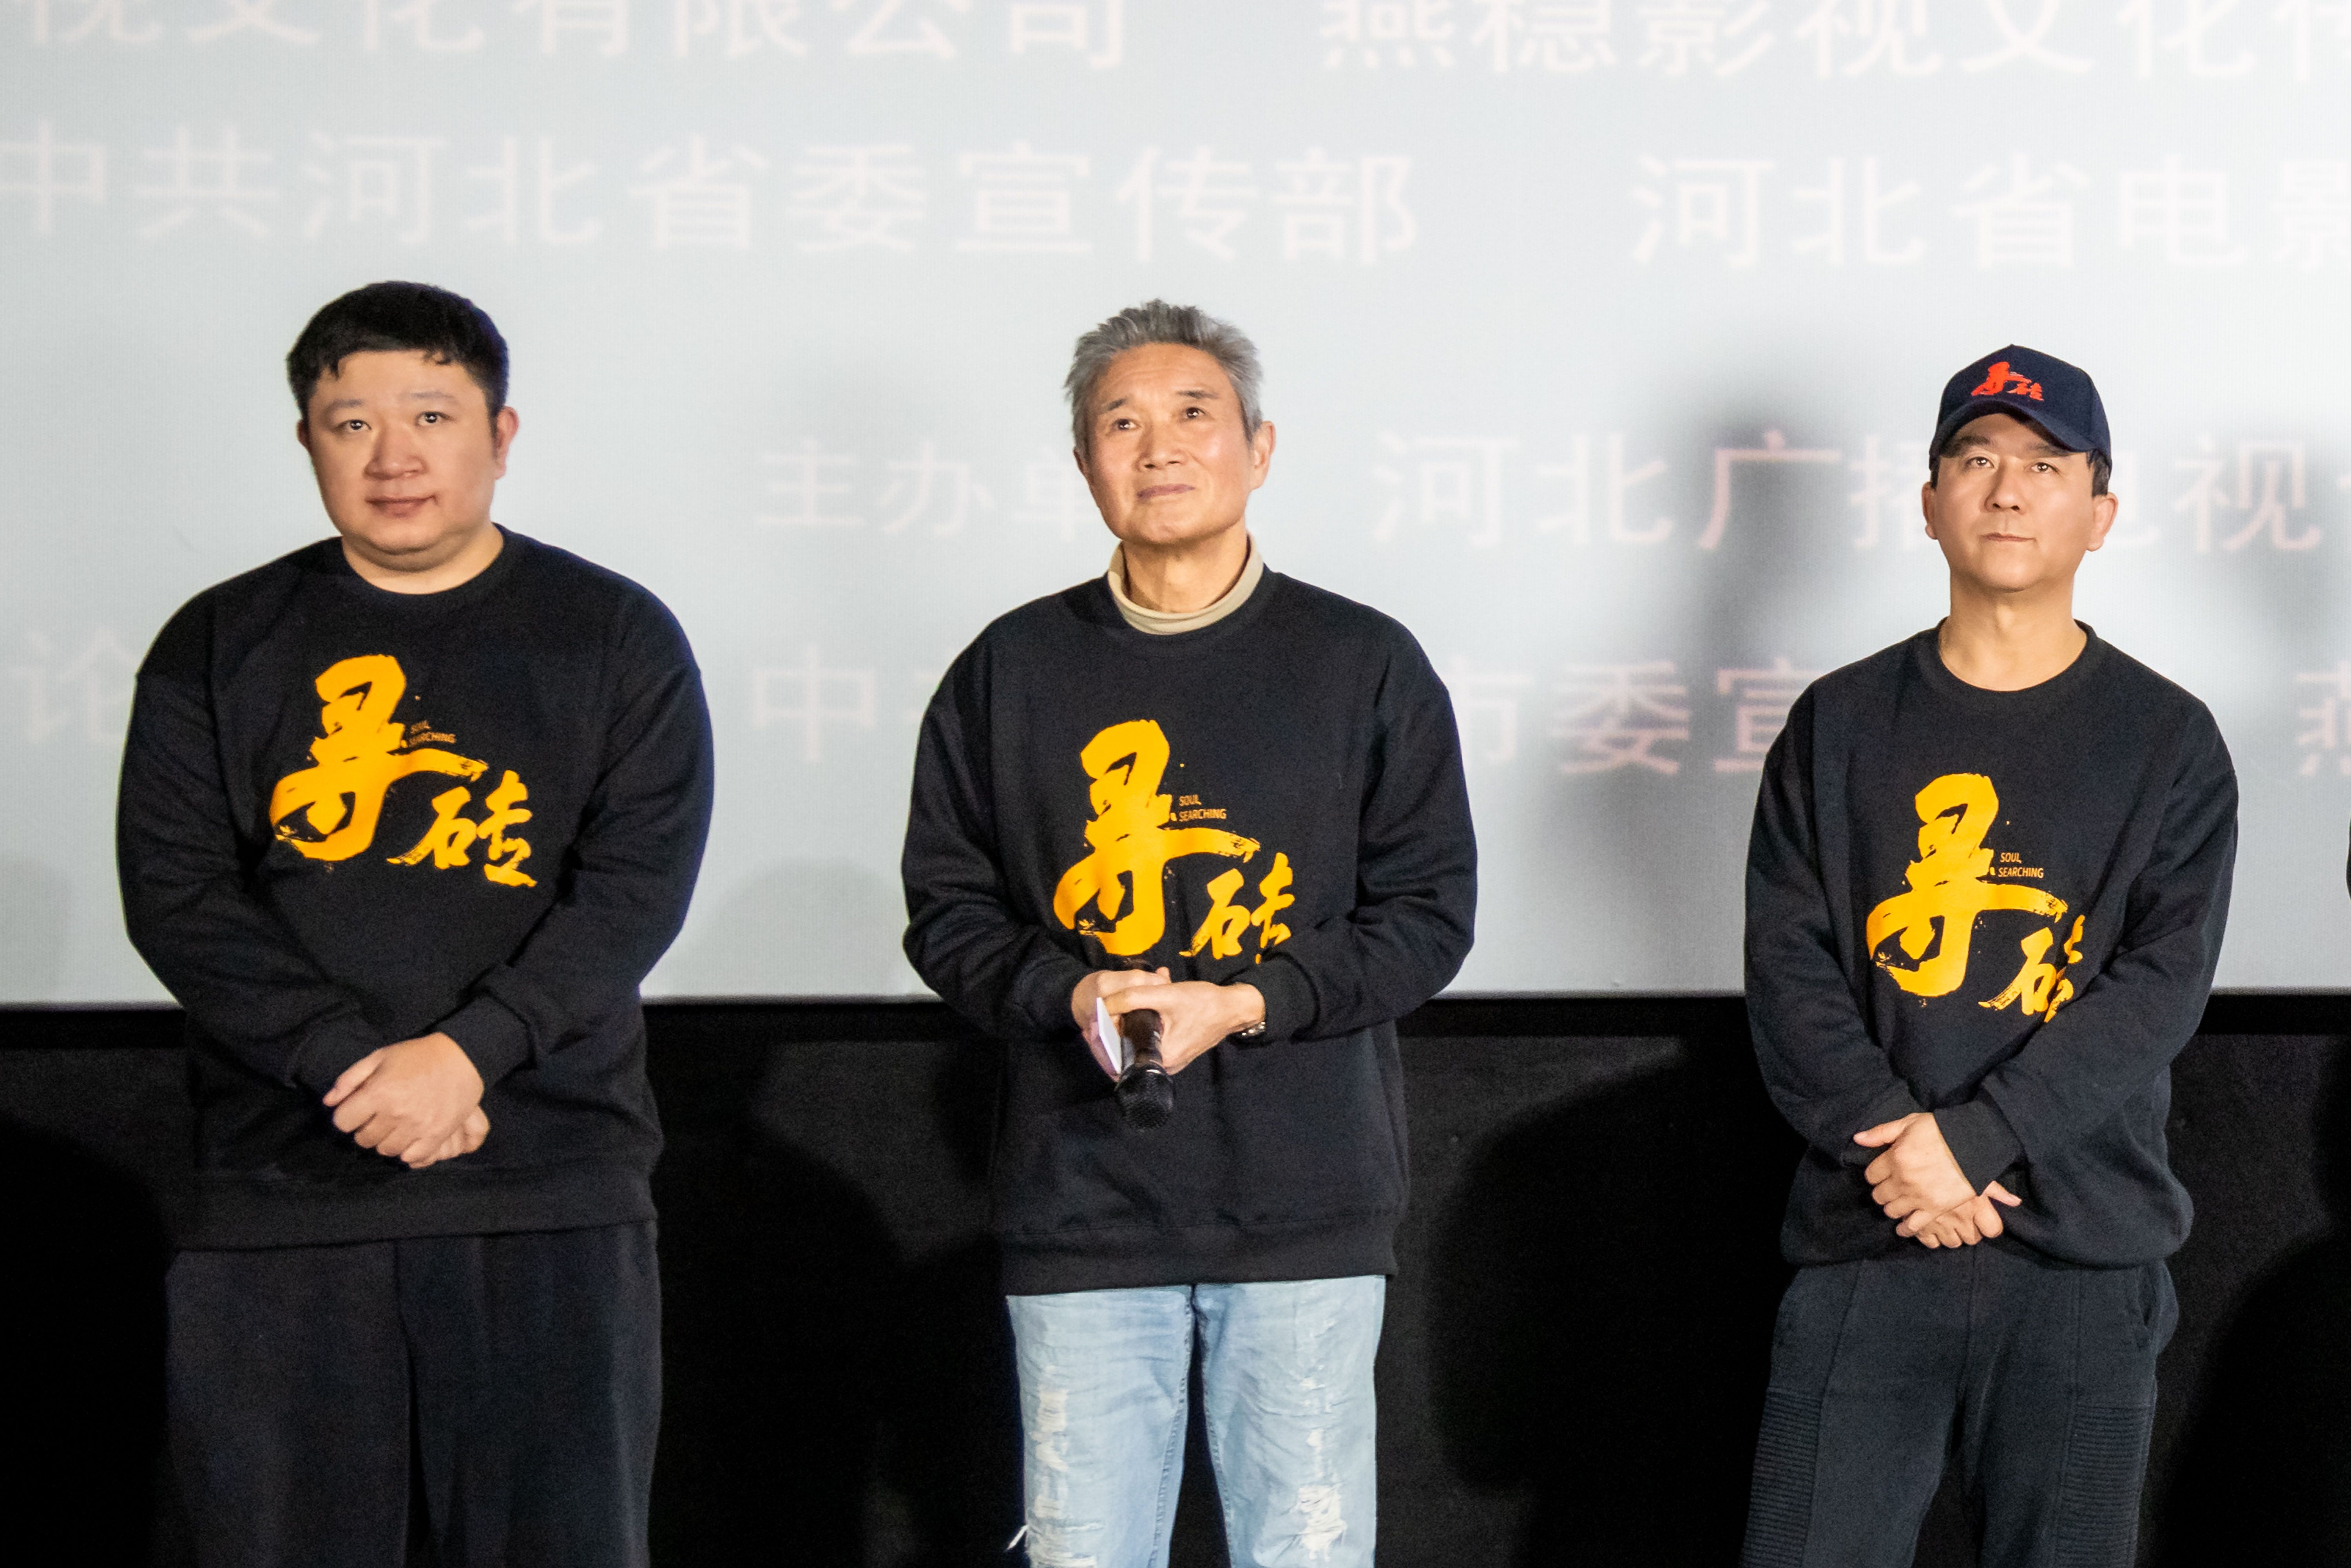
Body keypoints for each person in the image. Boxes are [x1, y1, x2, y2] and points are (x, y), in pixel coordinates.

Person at [117, 281, 714, 1568]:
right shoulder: (217, 642)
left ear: (501, 433)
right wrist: (349, 1062)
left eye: (432, 416)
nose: (393, 456)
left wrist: (467, 1055)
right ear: (307, 441)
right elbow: (178, 894)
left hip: (547, 1187)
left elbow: (633, 888)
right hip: (283, 1196)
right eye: (353, 424)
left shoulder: (613, 635)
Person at [900, 299, 1477, 1566]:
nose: (1157, 446)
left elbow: (1430, 913)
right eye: (1122, 423)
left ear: (1259, 448)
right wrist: (1066, 994)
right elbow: (946, 910)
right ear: (1083, 464)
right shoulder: (1009, 669)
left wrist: (1253, 1000)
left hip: (1306, 1200)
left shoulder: (1363, 662)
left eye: (1192, 414)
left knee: (1305, 1549)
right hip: (1082, 1203)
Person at [1738, 345, 2237, 1567]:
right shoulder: (1838, 722)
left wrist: (1979, 1135)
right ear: (1929, 502)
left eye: (2046, 465)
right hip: (1870, 1230)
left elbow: (2157, 988)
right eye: (1976, 460)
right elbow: (1792, 966)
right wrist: (1907, 1148)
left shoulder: (2168, 739)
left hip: (2083, 1251)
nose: (2008, 490)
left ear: (2100, 513)